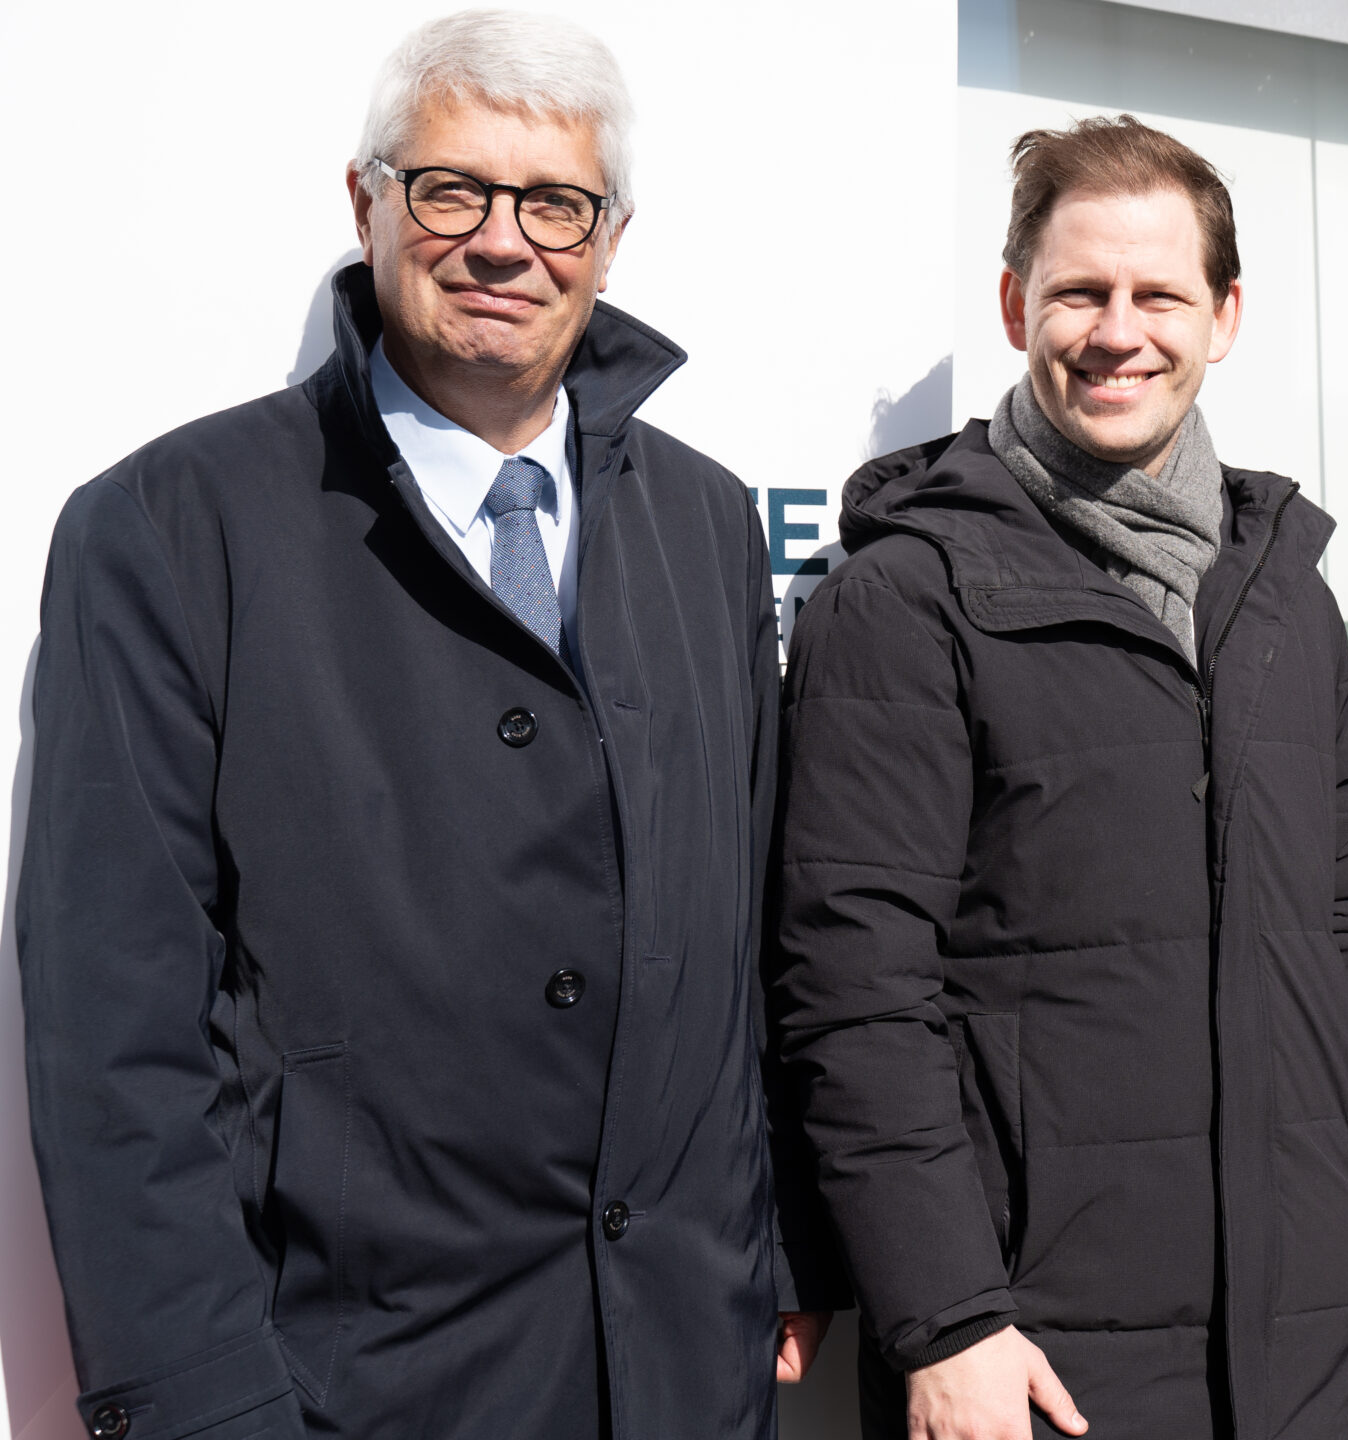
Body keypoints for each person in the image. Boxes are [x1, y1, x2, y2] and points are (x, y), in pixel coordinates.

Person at [18, 13, 825, 1438]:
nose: (503, 243)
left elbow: (751, 946)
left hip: (687, 1378)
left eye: (555, 203)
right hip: (355, 1394)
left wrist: (769, 1258)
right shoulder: (165, 528)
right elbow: (119, 1033)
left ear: (612, 234)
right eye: (451, 189)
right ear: (366, 202)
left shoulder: (704, 519)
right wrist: (205, 1407)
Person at [767, 114, 1348, 1440]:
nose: (1121, 331)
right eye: (1080, 292)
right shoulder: (903, 601)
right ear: (1017, 307)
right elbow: (852, 986)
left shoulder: (1286, 593)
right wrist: (943, 1316)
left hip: (1307, 1308)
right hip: (1036, 1341)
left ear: (1224, 316)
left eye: (1160, 293)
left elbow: (1342, 915)